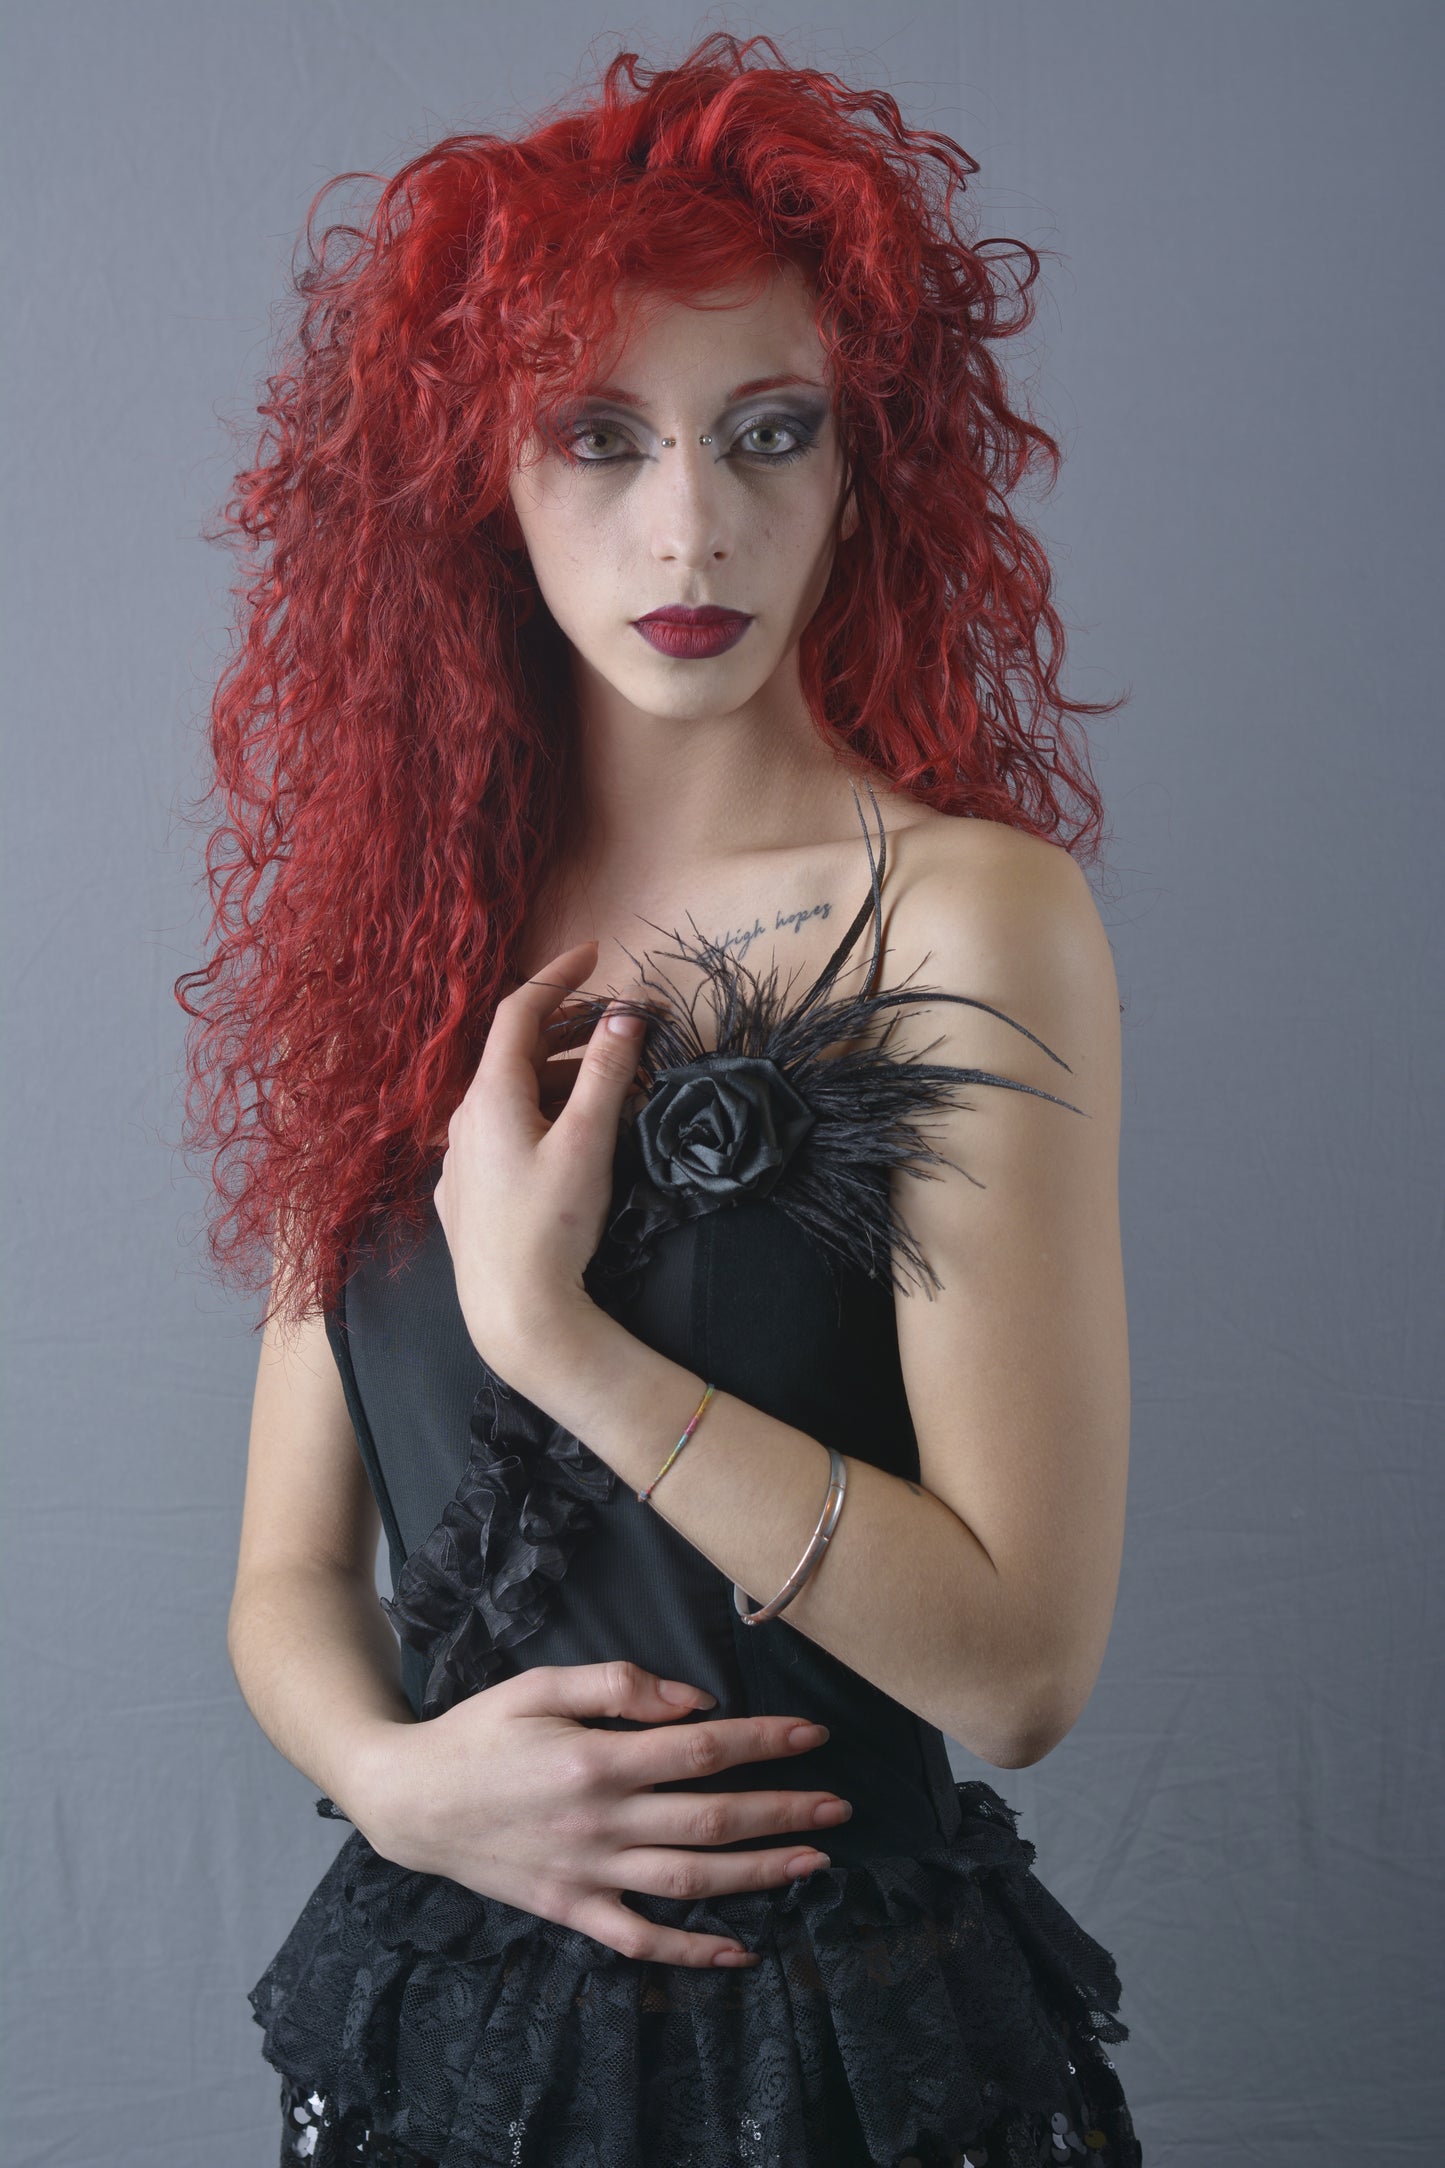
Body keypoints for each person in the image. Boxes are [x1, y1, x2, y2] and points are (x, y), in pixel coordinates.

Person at [178, 32, 1142, 2168]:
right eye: (596, 439)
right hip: (445, 2041)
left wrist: (561, 1345)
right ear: (479, 480)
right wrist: (395, 1780)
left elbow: (1020, 1671)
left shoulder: (966, 918)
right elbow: (285, 1571)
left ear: (864, 465)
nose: (691, 524)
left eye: (767, 432)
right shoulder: (403, 930)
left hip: (837, 2063)